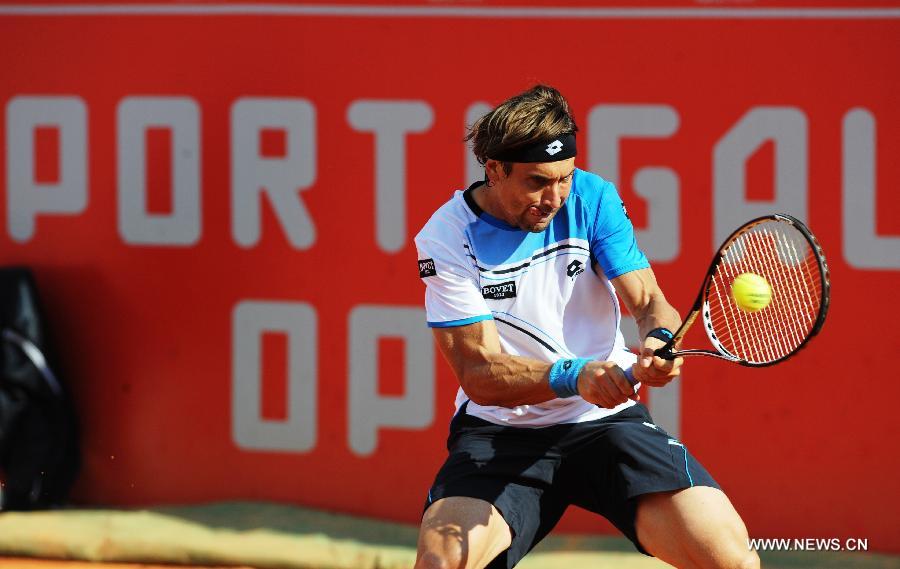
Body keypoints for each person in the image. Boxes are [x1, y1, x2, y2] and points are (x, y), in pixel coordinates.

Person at [412, 85, 759, 569]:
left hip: (604, 424)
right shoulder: (448, 237)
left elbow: (650, 301)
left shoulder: (592, 198)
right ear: (493, 170)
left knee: (731, 559)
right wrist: (575, 376)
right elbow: (479, 373)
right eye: (536, 181)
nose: (553, 197)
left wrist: (659, 340)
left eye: (564, 179)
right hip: (502, 433)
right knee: (441, 565)